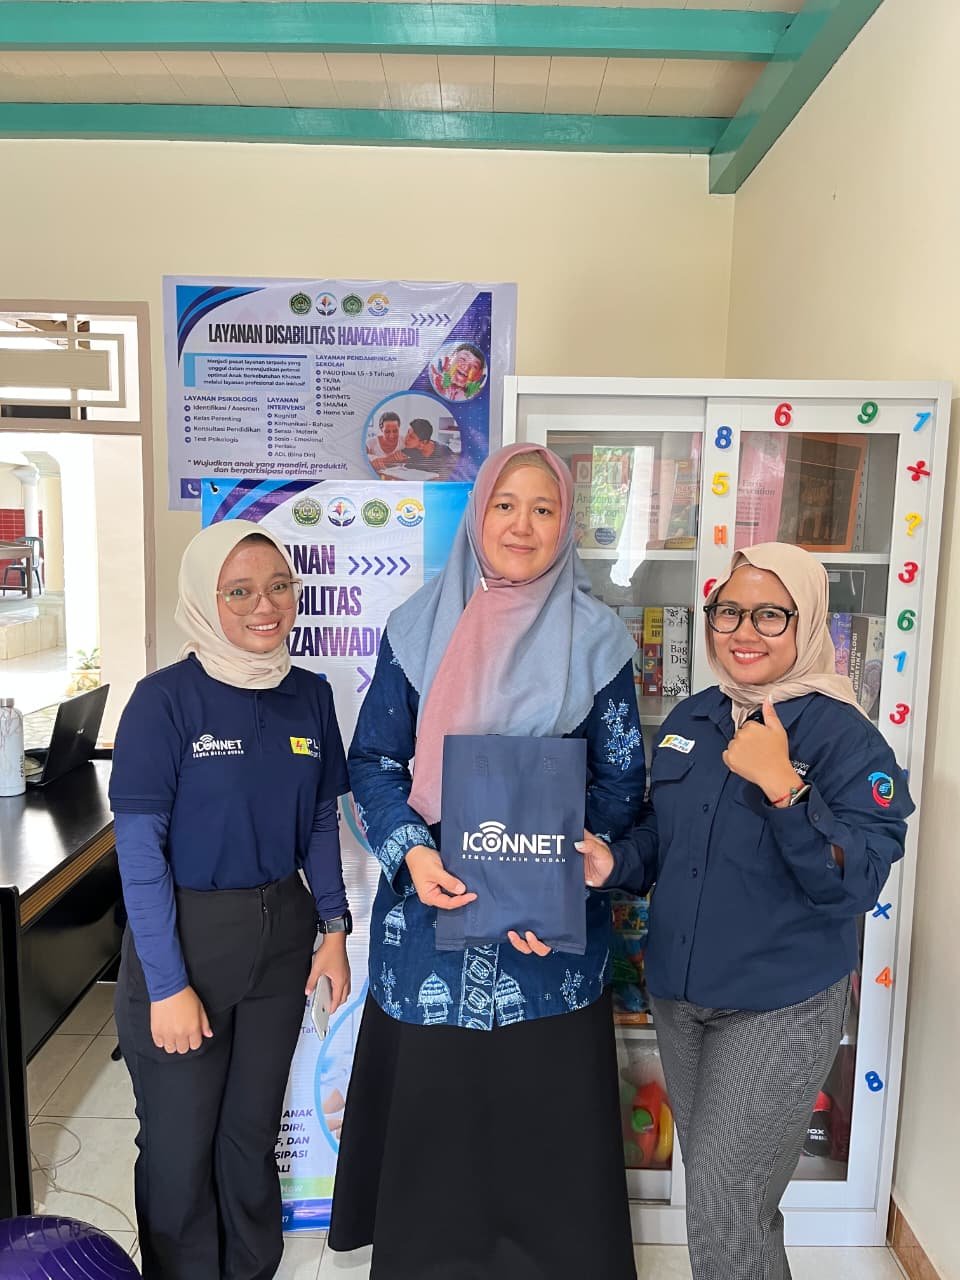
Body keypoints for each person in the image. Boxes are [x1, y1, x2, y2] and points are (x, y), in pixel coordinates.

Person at [328, 443, 645, 1279]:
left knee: (543, 1137)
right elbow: (374, 764)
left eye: (543, 508)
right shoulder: (416, 629)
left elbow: (621, 783)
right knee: (438, 1132)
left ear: (566, 523)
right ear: (478, 517)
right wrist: (412, 853)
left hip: (547, 945)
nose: (522, 525)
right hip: (430, 926)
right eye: (505, 505)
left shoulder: (599, 640)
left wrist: (558, 881)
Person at [578, 542, 914, 1280]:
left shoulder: (846, 737)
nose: (744, 631)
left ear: (807, 621)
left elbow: (855, 884)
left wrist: (784, 788)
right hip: (682, 996)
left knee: (725, 1200)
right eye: (728, 611)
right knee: (732, 1198)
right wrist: (614, 863)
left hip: (778, 1003)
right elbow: (661, 839)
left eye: (770, 614)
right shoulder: (694, 717)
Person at [109, 520, 353, 1280]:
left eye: (279, 587)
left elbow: (320, 822)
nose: (264, 606)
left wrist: (334, 928)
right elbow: (139, 855)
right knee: (179, 1145)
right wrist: (168, 986)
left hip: (282, 940)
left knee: (250, 1135)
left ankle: (250, 1269)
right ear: (203, 600)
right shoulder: (163, 702)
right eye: (239, 591)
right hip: (187, 941)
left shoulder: (310, 695)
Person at [367, 410, 405, 474]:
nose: (391, 436)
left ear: (399, 427)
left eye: (395, 431)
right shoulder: (371, 443)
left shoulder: (404, 441)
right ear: (381, 429)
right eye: (387, 432)